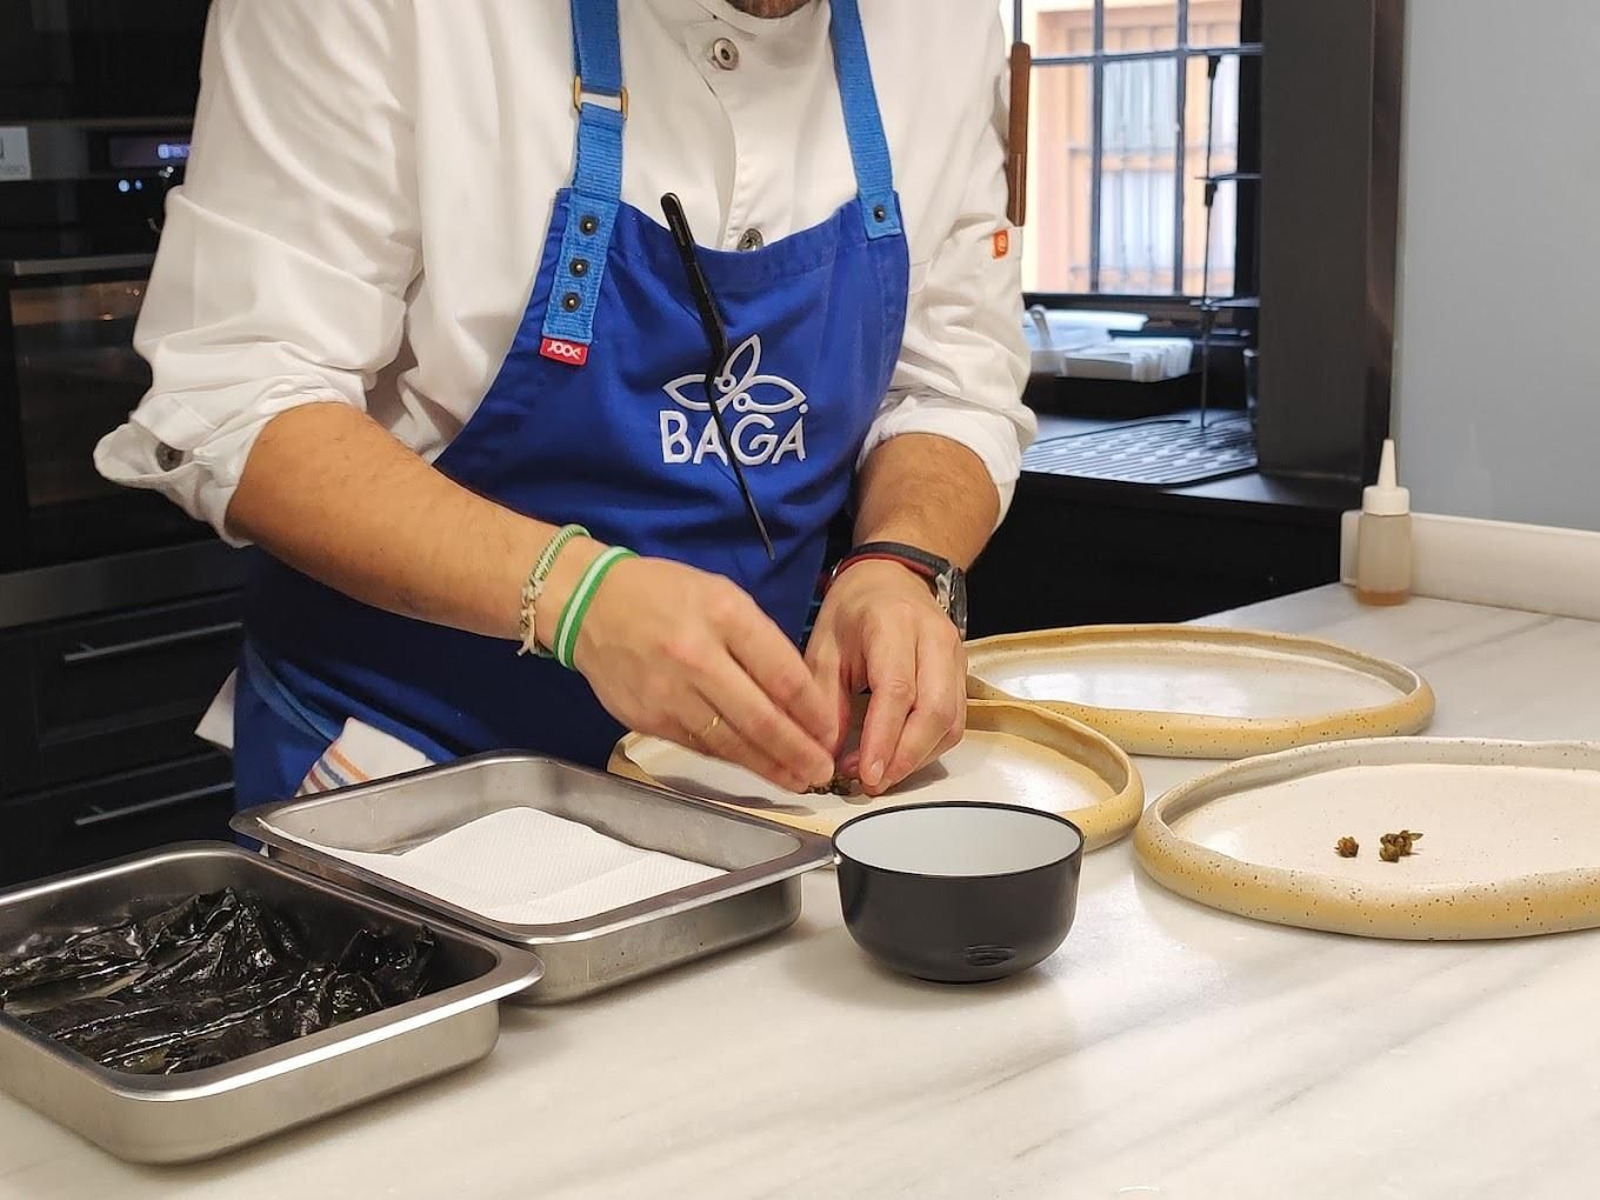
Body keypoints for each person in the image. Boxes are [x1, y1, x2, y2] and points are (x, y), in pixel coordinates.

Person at [95, 0, 1035, 809]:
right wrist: (579, 596)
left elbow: (952, 377)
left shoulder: (944, 25)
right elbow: (244, 395)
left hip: (742, 782)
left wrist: (901, 564)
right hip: (405, 761)